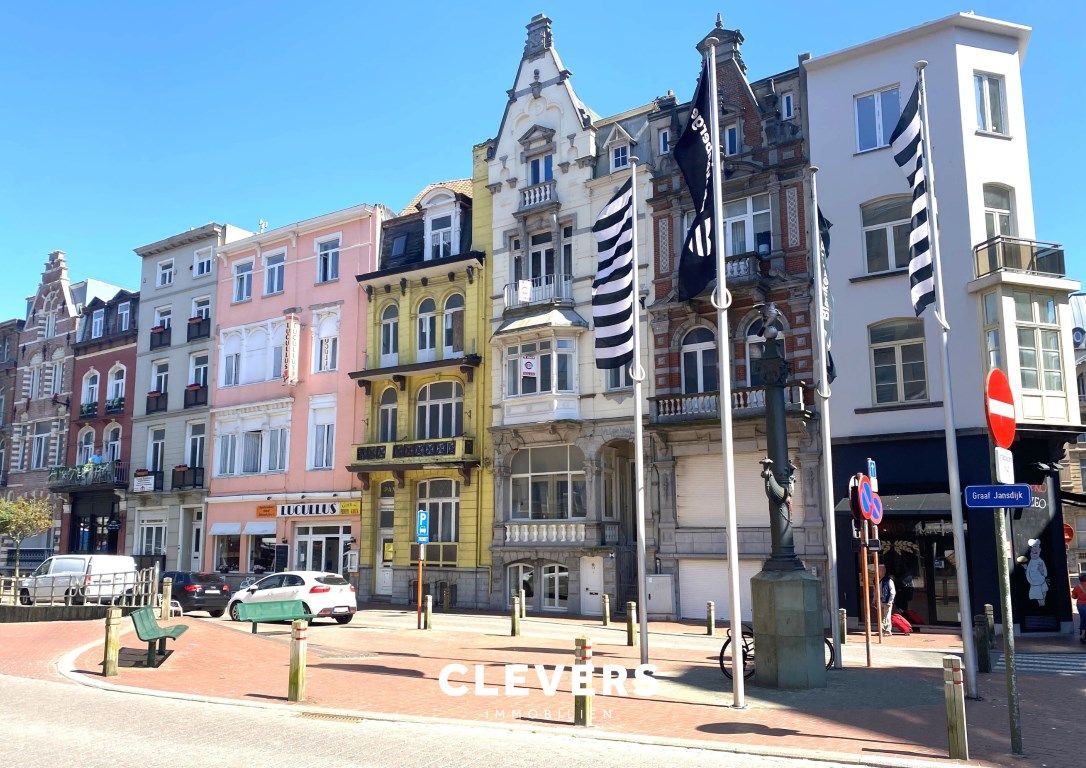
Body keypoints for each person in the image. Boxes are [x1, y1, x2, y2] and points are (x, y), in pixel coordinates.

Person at [878, 564, 896, 636]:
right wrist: (874, 600)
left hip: (887, 601)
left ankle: (888, 630)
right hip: (880, 601)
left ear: (884, 571)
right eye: (879, 569)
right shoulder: (878, 580)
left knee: (887, 616)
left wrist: (890, 601)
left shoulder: (888, 580)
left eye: (881, 570)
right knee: (881, 616)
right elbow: (876, 591)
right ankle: (882, 630)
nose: (880, 571)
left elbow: (893, 592)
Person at [1072, 573, 1086, 644]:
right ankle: (1083, 635)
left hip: (1080, 605)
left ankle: (1082, 634)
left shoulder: (1077, 587)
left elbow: (1074, 596)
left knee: (1083, 618)